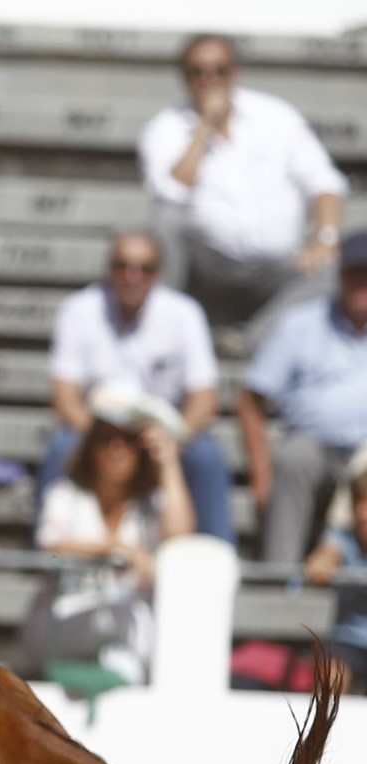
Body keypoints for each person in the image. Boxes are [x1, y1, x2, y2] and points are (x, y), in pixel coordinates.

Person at [139, 33, 347, 352]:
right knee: (165, 222)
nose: (210, 80)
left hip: (278, 268)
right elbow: (171, 193)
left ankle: (249, 342)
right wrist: (205, 126)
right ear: (184, 77)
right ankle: (161, 337)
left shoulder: (276, 116)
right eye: (198, 72)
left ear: (236, 72)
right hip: (208, 268)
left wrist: (326, 238)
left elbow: (324, 182)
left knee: (336, 265)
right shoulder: (166, 127)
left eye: (220, 71)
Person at [39, 230, 232, 543]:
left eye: (144, 268)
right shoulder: (78, 310)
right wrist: (103, 438)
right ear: (108, 269)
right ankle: (47, 552)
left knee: (206, 456)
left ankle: (215, 554)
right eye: (123, 266)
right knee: (62, 448)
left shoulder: (184, 313)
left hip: (164, 432)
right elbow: (64, 397)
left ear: (159, 274)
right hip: (97, 430)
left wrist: (173, 438)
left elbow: (204, 398)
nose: (132, 276)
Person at [22, 387, 195, 685]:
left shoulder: (149, 506)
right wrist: (114, 549)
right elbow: (48, 549)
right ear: (91, 446)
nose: (117, 449)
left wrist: (168, 463)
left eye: (129, 440)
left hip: (127, 643)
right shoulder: (64, 496)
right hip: (63, 628)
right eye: (106, 439)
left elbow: (180, 540)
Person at [235, 229, 367, 565]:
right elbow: (251, 399)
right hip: (315, 451)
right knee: (295, 458)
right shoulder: (299, 324)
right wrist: (261, 474)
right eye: (355, 273)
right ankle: (279, 578)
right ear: (340, 275)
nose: (362, 284)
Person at [304, 461, 367, 694]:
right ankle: (325, 719)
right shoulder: (341, 538)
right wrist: (322, 562)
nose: (363, 512)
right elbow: (324, 556)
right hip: (346, 643)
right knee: (331, 675)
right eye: (359, 502)